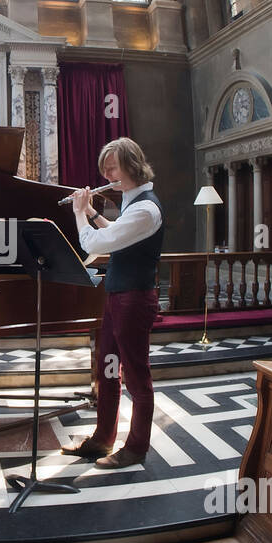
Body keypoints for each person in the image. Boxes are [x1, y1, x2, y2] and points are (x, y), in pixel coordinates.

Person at [65, 138, 163, 468]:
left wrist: (80, 213)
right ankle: (102, 439)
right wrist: (92, 211)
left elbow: (97, 241)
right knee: (107, 370)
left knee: (137, 378)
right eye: (104, 167)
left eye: (112, 166)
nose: (106, 173)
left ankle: (136, 448)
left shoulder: (146, 209)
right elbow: (117, 234)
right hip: (117, 297)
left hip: (134, 301)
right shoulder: (132, 205)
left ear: (132, 166)